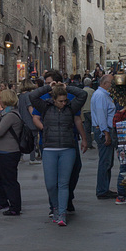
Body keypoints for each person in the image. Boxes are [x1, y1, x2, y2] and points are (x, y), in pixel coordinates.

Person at [30, 82, 87, 226]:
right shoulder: (45, 107)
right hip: (50, 148)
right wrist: (49, 87)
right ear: (53, 99)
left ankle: (62, 213)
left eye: (64, 100)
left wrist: (66, 87)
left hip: (68, 148)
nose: (63, 103)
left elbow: (83, 94)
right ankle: (55, 207)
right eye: (60, 101)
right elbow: (32, 96)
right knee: (50, 184)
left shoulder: (70, 107)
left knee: (63, 183)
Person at [91, 73, 117, 199]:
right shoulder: (100, 95)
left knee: (107, 162)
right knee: (105, 162)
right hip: (103, 131)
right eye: (111, 83)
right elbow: (101, 115)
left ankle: (104, 188)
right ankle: (102, 190)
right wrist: (106, 132)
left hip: (105, 130)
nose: (112, 86)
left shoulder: (103, 95)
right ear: (105, 84)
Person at [17, 79, 40, 164]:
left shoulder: (20, 96)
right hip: (30, 121)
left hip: (22, 121)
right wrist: (36, 117)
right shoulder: (29, 95)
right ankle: (32, 158)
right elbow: (30, 108)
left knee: (23, 139)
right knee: (33, 140)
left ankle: (21, 156)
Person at [82, 77, 95, 149]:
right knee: (95, 126)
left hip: (84, 111)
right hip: (91, 110)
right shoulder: (92, 91)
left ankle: (89, 143)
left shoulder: (82, 91)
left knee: (87, 129)